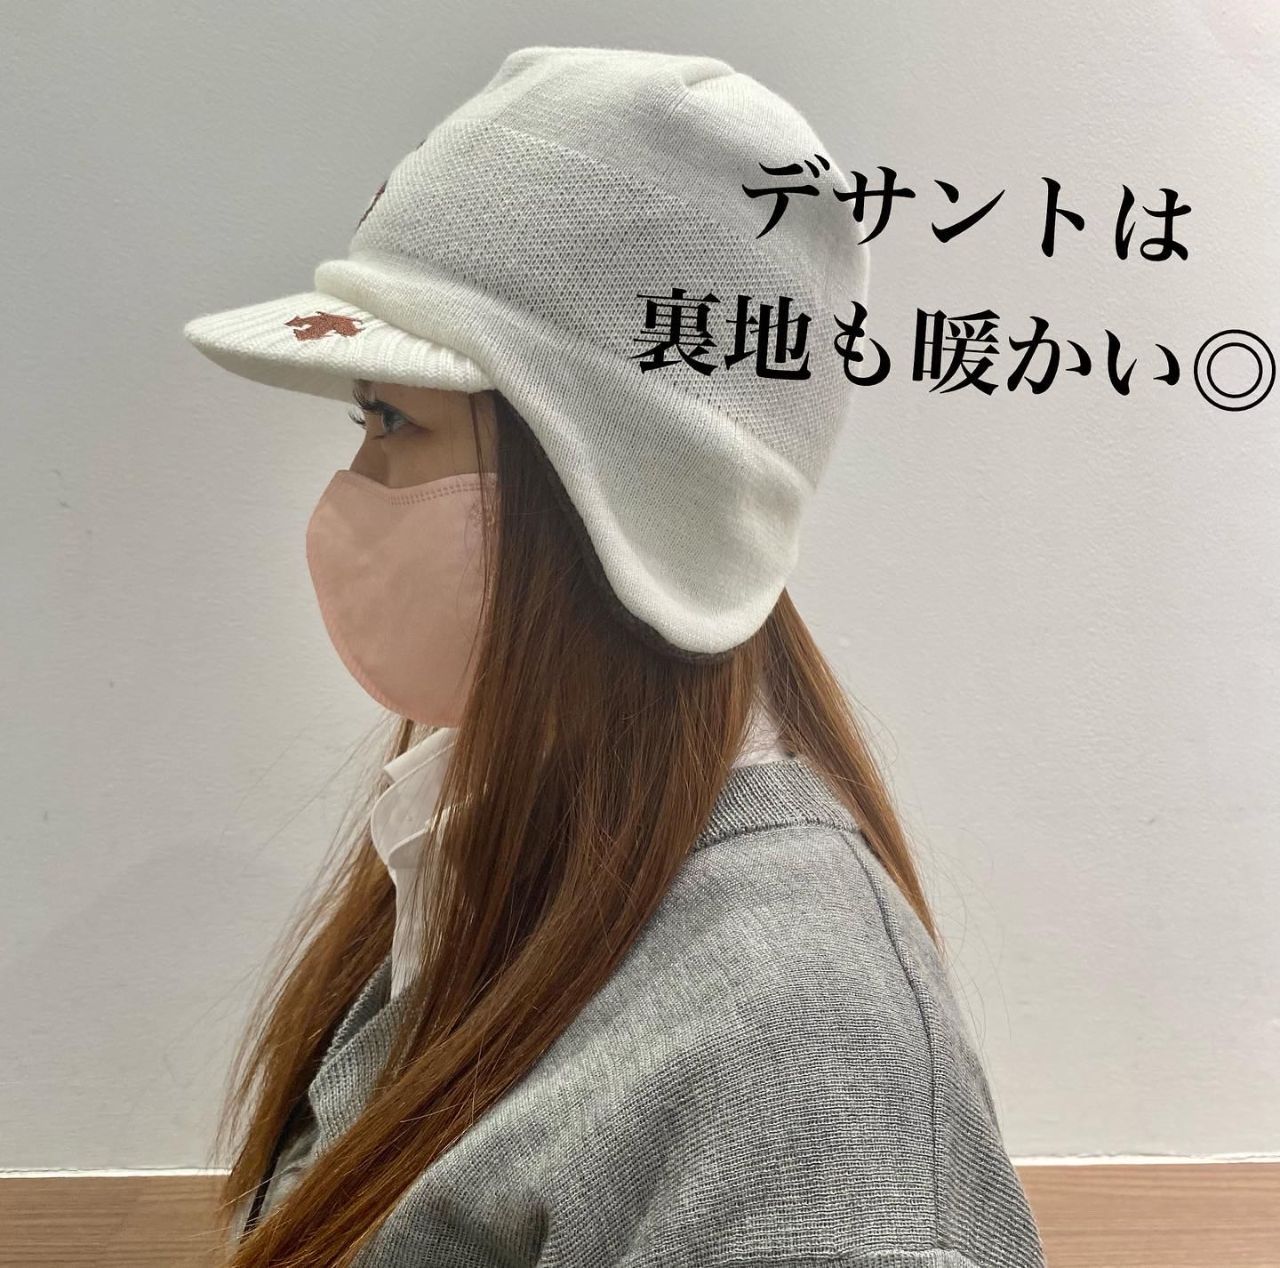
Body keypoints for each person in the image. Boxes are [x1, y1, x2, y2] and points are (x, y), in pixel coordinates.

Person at [184, 44, 1048, 1268]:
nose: (351, 484)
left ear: (611, 472)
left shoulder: (797, 1044)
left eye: (392, 419)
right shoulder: (486, 852)